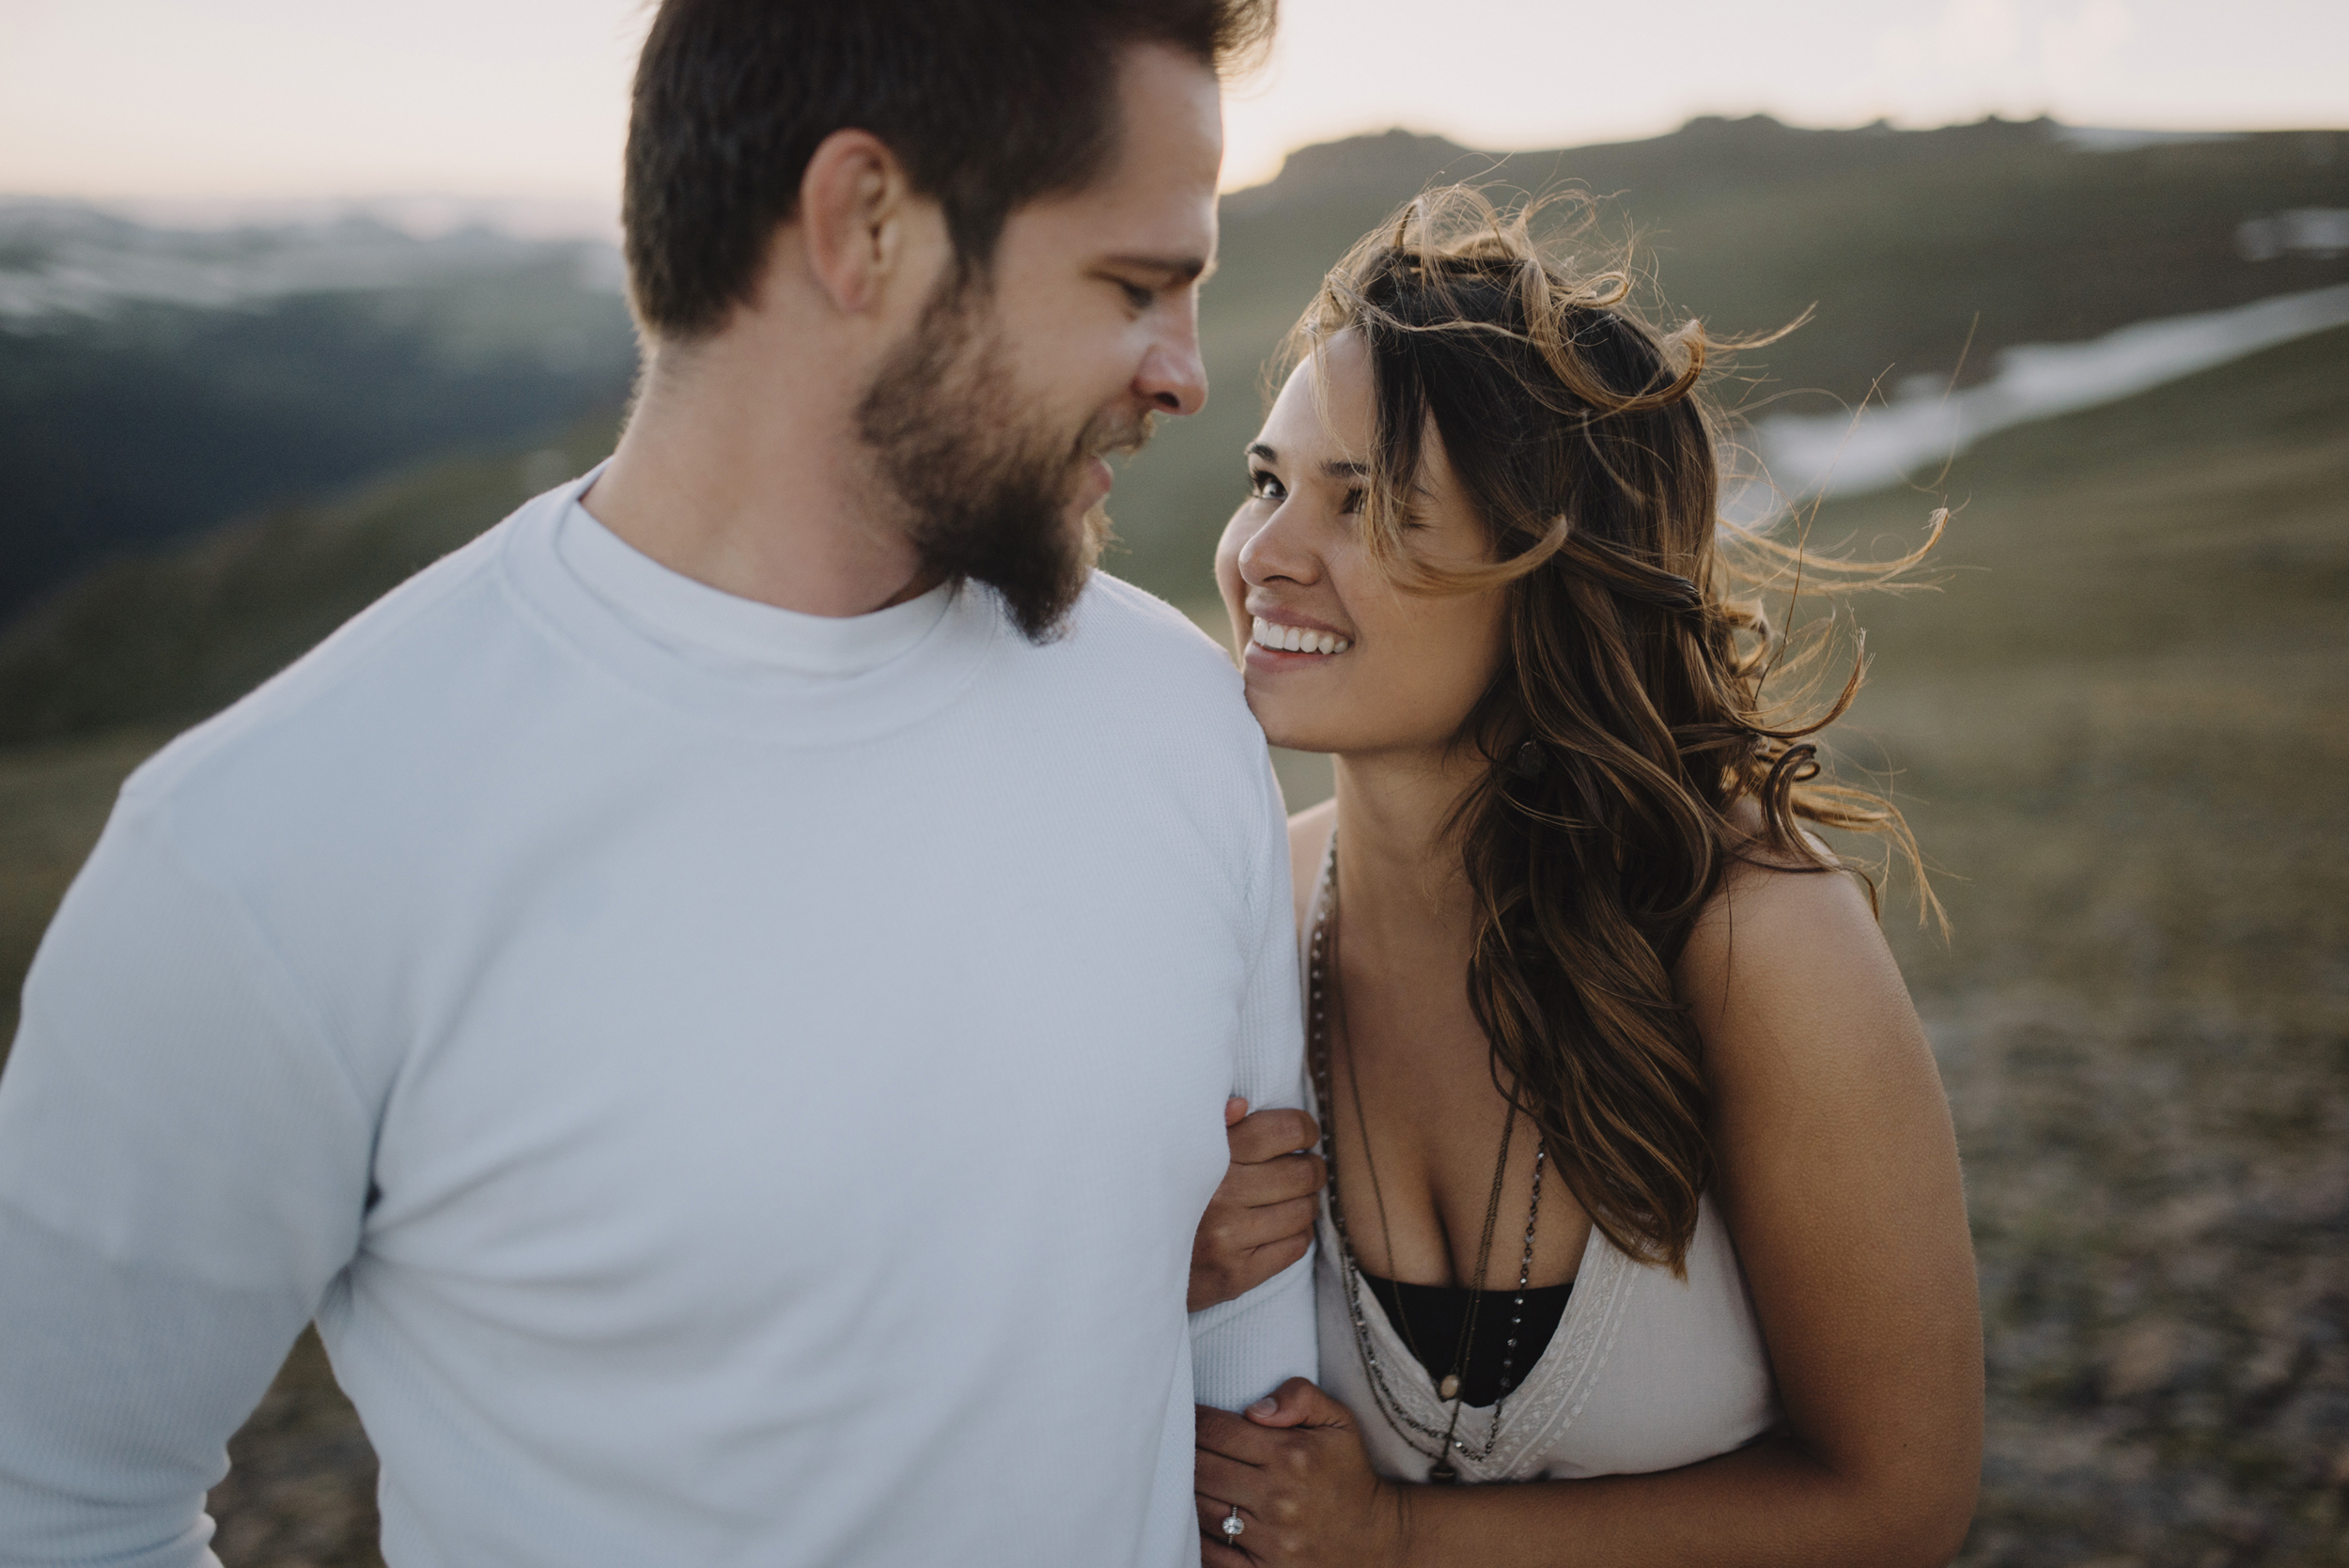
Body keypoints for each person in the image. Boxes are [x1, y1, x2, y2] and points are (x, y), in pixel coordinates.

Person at [0, 4, 1319, 1564]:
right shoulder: (267, 851)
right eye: (1133, 286)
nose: (1183, 375)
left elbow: (1254, 1380)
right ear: (863, 224)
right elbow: (60, 1504)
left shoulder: (1178, 716)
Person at [1190, 191, 1984, 1565]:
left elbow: (1897, 1499)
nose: (1264, 557)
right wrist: (1165, 1274)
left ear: (1547, 568)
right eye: (1269, 484)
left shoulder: (1758, 944)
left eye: (1365, 504)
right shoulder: (1242, 916)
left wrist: (1398, 1541)